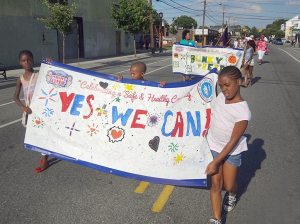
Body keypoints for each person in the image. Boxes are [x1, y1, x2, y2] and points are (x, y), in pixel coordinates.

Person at [205, 66, 251, 224]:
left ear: (238, 82)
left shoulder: (243, 111)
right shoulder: (220, 98)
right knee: (216, 184)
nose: (224, 89)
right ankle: (216, 219)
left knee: (229, 185)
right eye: (221, 86)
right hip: (213, 145)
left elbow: (233, 142)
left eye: (227, 85)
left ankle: (232, 194)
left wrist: (216, 162)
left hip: (231, 151)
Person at [13, 50, 50, 173]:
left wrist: (50, 65)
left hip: (42, 111)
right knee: (36, 135)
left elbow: (53, 79)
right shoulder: (21, 79)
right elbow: (15, 97)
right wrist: (23, 107)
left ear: (33, 60)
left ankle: (44, 158)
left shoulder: (40, 75)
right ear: (20, 63)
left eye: (29, 59)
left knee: (42, 134)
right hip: (30, 112)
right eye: (24, 60)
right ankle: (44, 154)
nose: (27, 62)